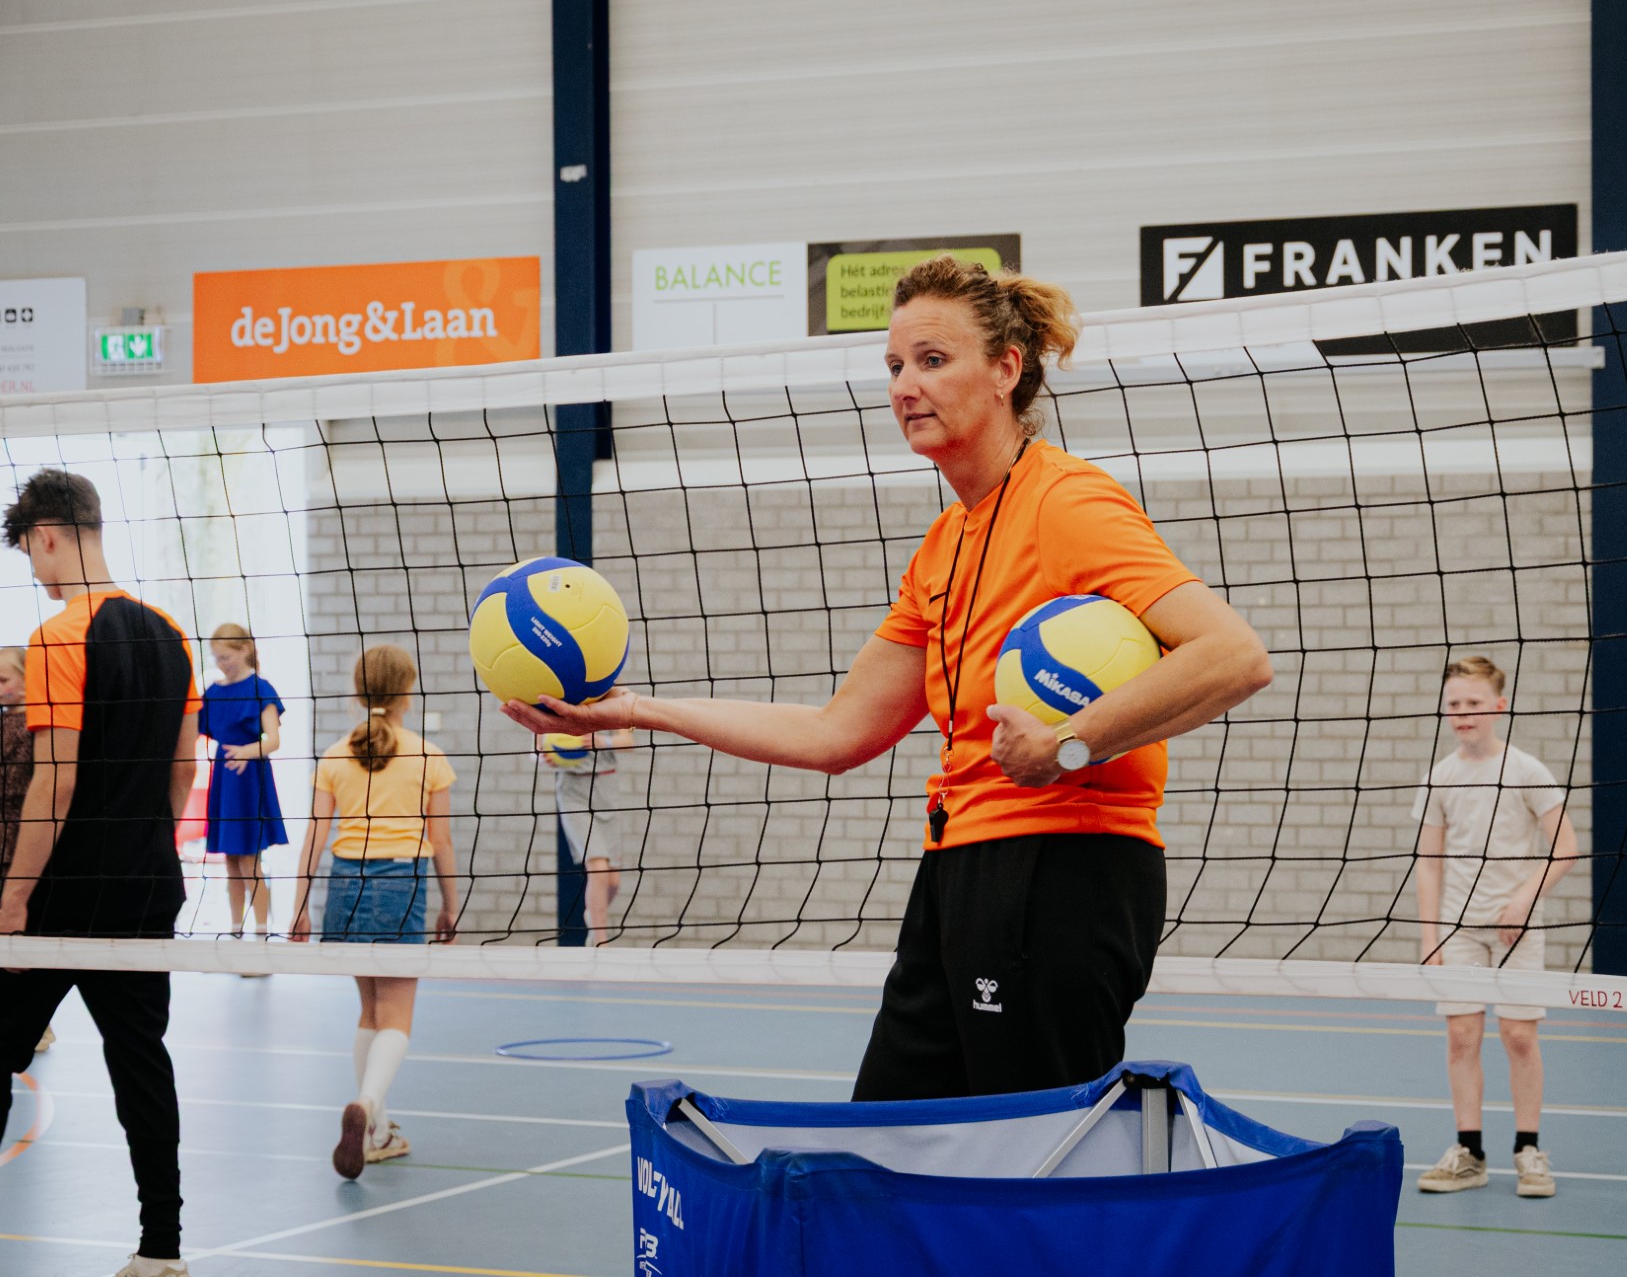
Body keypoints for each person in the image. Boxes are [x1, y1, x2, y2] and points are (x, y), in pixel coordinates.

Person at [505, 255, 1273, 1100]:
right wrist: (633, 710)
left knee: (1035, 1153)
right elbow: (836, 734)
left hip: (1062, 872)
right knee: (890, 1137)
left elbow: (1234, 656)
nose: (906, 385)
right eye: (896, 365)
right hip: (958, 872)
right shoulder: (943, 547)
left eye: (933, 360)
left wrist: (1068, 742)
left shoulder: (1068, 504)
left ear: (1006, 369)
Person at [0, 469, 201, 1277]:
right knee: (141, 1059)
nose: (34, 571)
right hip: (146, 885)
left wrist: (14, 896)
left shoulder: (58, 636)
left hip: (64, 892)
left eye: (28, 553)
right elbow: (183, 771)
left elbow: (56, 780)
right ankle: (162, 1249)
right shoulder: (171, 632)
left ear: (47, 535)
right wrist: (147, 847)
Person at [1412, 656, 1578, 1200]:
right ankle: (1470, 1153)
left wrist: (1525, 899)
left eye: (1474, 703)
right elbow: (1429, 864)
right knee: (1461, 1036)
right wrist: (1430, 936)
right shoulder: (1440, 776)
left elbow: (1566, 848)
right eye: (1454, 704)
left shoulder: (1527, 770)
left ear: (1498, 706)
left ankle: (1529, 1149)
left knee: (1519, 1037)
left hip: (1516, 931)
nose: (1463, 713)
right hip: (1459, 930)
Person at [290, 644, 458, 1180]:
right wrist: (451, 906)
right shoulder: (428, 756)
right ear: (408, 691)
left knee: (369, 1012)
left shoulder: (335, 755)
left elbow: (315, 837)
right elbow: (442, 842)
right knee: (397, 1017)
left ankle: (378, 1131)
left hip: (345, 886)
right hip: (400, 885)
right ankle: (365, 1106)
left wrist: (300, 907)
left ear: (358, 692)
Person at [200, 622, 289, 944]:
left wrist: (247, 752)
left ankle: (262, 931)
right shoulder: (213, 692)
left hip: (249, 779)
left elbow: (273, 740)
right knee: (230, 860)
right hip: (225, 780)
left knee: (250, 860)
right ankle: (235, 928)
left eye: (227, 656)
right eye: (217, 658)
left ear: (245, 650)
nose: (222, 663)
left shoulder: (260, 689)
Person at [0, 646, 55, 1053]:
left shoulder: (38, 725)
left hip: (21, 840)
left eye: (4, 679)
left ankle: (39, 1024)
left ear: (28, 678)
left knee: (20, 936)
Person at [539, 728, 633, 946]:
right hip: (573, 790)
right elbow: (537, 747)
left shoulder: (616, 705)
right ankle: (600, 941)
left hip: (605, 787)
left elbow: (628, 741)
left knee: (613, 881)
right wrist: (544, 757)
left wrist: (601, 741)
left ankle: (593, 914)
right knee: (598, 868)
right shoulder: (556, 707)